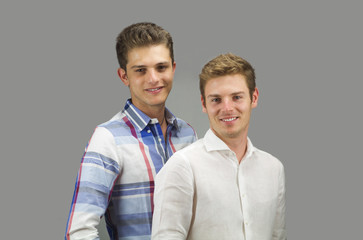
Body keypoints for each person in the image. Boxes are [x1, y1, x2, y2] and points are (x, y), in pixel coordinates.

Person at [65, 22, 197, 240]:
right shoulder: (108, 139)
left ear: (173, 68)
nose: (153, 78)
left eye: (161, 67)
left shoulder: (187, 134)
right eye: (140, 70)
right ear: (124, 76)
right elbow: (79, 232)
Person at [152, 53, 286, 240]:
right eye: (216, 99)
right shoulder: (182, 167)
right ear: (204, 103)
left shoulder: (273, 169)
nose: (227, 108)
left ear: (253, 98)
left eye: (237, 97)